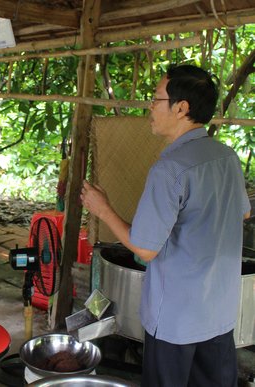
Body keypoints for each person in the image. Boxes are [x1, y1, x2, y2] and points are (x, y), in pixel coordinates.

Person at [81, 64, 251, 387]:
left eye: (156, 99)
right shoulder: (227, 158)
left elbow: (145, 247)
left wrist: (103, 210)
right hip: (219, 315)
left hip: (176, 321)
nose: (150, 107)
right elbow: (242, 213)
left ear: (181, 108)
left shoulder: (170, 170)